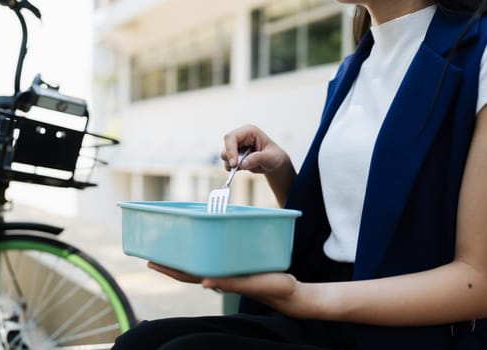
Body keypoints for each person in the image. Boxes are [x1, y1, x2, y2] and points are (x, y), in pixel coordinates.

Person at [113, 0, 487, 349]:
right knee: (141, 341)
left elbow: (478, 280)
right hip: (323, 311)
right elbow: (348, 227)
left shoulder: (478, 55)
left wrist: (299, 296)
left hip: (410, 333)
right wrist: (281, 172)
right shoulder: (356, 65)